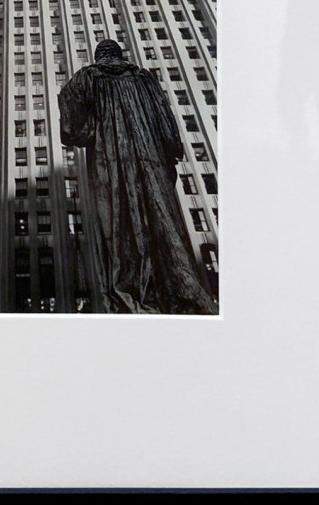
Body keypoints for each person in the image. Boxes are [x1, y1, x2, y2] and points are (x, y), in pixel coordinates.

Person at [58, 39, 216, 314]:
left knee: (119, 225)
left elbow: (71, 125)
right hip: (152, 161)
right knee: (163, 223)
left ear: (99, 56)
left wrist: (96, 129)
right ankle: (178, 294)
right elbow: (167, 121)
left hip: (109, 165)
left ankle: (132, 296)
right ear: (119, 55)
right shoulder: (144, 78)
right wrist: (170, 152)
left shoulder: (86, 77)